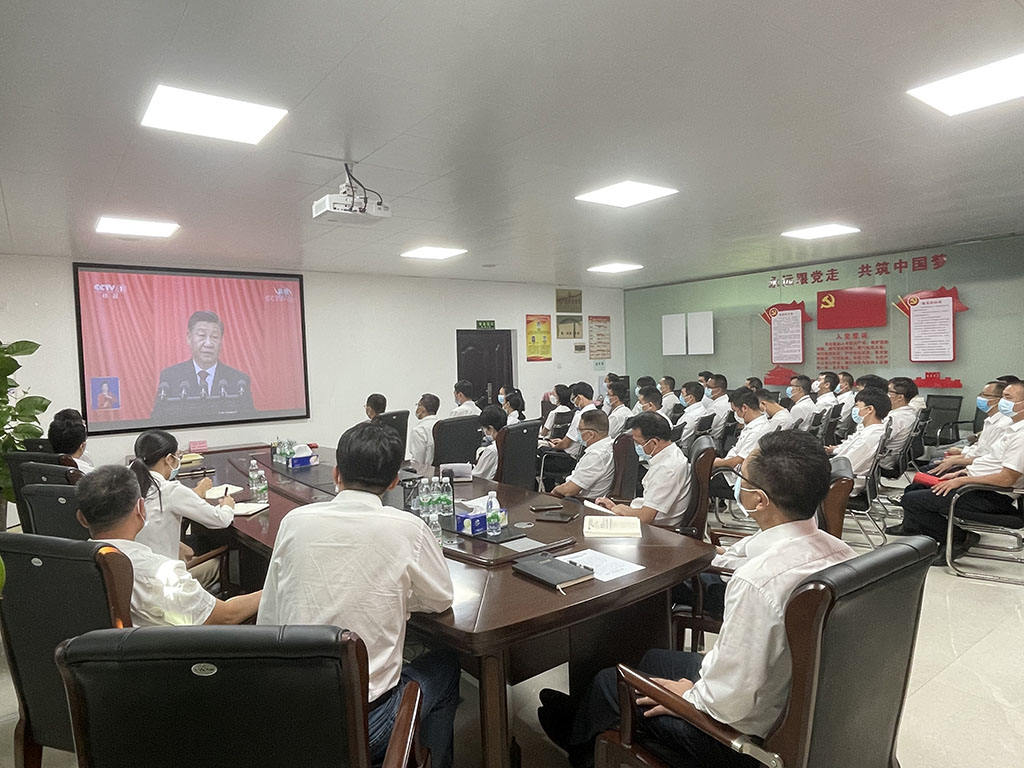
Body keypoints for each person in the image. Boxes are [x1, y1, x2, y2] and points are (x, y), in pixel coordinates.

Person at [542, 431, 854, 768]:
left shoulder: (758, 582)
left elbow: (730, 704)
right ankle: (585, 718)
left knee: (610, 681)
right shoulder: (842, 551)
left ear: (759, 500)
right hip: (797, 702)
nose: (738, 484)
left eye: (742, 478)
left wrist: (689, 696)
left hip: (740, 740)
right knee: (652, 658)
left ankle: (582, 748)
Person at [258, 422, 457, 768]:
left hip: (293, 714)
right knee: (446, 665)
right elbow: (440, 598)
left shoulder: (294, 521)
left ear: (336, 474)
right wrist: (393, 596)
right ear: (394, 481)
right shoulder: (409, 529)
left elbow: (270, 617)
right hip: (367, 724)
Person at [76, 465, 261, 626]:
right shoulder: (156, 572)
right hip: (165, 650)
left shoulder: (73, 560)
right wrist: (270, 589)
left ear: (81, 518)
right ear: (141, 509)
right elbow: (225, 617)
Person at [888, 380, 1024, 564]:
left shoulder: (1021, 435)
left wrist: (961, 481)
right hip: (976, 484)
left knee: (913, 501)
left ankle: (959, 539)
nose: (1003, 402)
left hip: (991, 494)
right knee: (915, 491)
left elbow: (1007, 478)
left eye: (1008, 398)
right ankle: (933, 532)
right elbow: (989, 461)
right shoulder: (1013, 429)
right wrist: (961, 473)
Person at [129, 430, 234, 589]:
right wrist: (227, 506)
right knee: (221, 564)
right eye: (178, 456)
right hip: (164, 582)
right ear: (169, 459)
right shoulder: (169, 490)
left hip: (135, 576)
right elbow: (221, 520)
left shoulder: (127, 483)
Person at [595, 412, 691, 527]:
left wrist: (619, 509)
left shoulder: (666, 469)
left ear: (654, 442)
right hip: (643, 519)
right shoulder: (672, 454)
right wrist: (615, 507)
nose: (636, 446)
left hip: (653, 530)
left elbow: (645, 517)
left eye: (638, 443)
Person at [152, 310, 254, 416]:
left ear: (221, 341)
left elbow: (249, 419)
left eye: (214, 337)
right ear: (189, 337)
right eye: (202, 335)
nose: (208, 344)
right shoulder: (170, 377)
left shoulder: (239, 381)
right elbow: (158, 419)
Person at [929, 380, 1010, 475]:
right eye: (980, 394)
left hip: (978, 470)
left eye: (984, 395)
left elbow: (987, 458)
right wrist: (957, 458)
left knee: (927, 472)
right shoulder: (990, 421)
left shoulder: (1003, 425)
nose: (980, 397)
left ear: (998, 400)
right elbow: (979, 450)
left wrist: (956, 461)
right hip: (973, 463)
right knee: (930, 466)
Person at [708, 389, 775, 499]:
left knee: (702, 483)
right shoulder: (753, 425)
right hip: (732, 471)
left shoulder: (757, 431)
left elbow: (737, 461)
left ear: (744, 408)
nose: (736, 415)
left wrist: (716, 463)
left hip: (738, 478)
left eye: (735, 411)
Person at [826, 387, 890, 492]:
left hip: (843, 484)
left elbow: (846, 465)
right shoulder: (871, 431)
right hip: (844, 476)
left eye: (857, 406)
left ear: (869, 409)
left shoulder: (869, 437)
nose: (854, 409)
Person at [551, 410, 616, 500]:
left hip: (581, 502)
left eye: (580, 430)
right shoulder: (609, 445)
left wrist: (554, 491)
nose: (578, 433)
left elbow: (569, 490)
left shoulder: (596, 456)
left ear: (590, 434)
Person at [879, 377, 920, 471]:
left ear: (900, 397)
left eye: (889, 391)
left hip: (881, 461)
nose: (886, 395)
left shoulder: (896, 418)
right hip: (888, 457)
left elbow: (876, 441)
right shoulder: (909, 413)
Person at [409, 394, 441, 476]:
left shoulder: (419, 430)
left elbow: (418, 461)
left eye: (418, 405)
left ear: (422, 409)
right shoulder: (442, 425)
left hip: (425, 475)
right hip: (441, 472)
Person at [473, 405, 506, 480]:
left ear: (491, 429)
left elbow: (476, 476)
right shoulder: (511, 443)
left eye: (483, 428)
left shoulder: (492, 451)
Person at [706, 374, 731, 440]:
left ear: (719, 390)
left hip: (711, 440)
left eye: (709, 387)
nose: (706, 389)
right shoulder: (727, 401)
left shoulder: (717, 407)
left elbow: (705, 427)